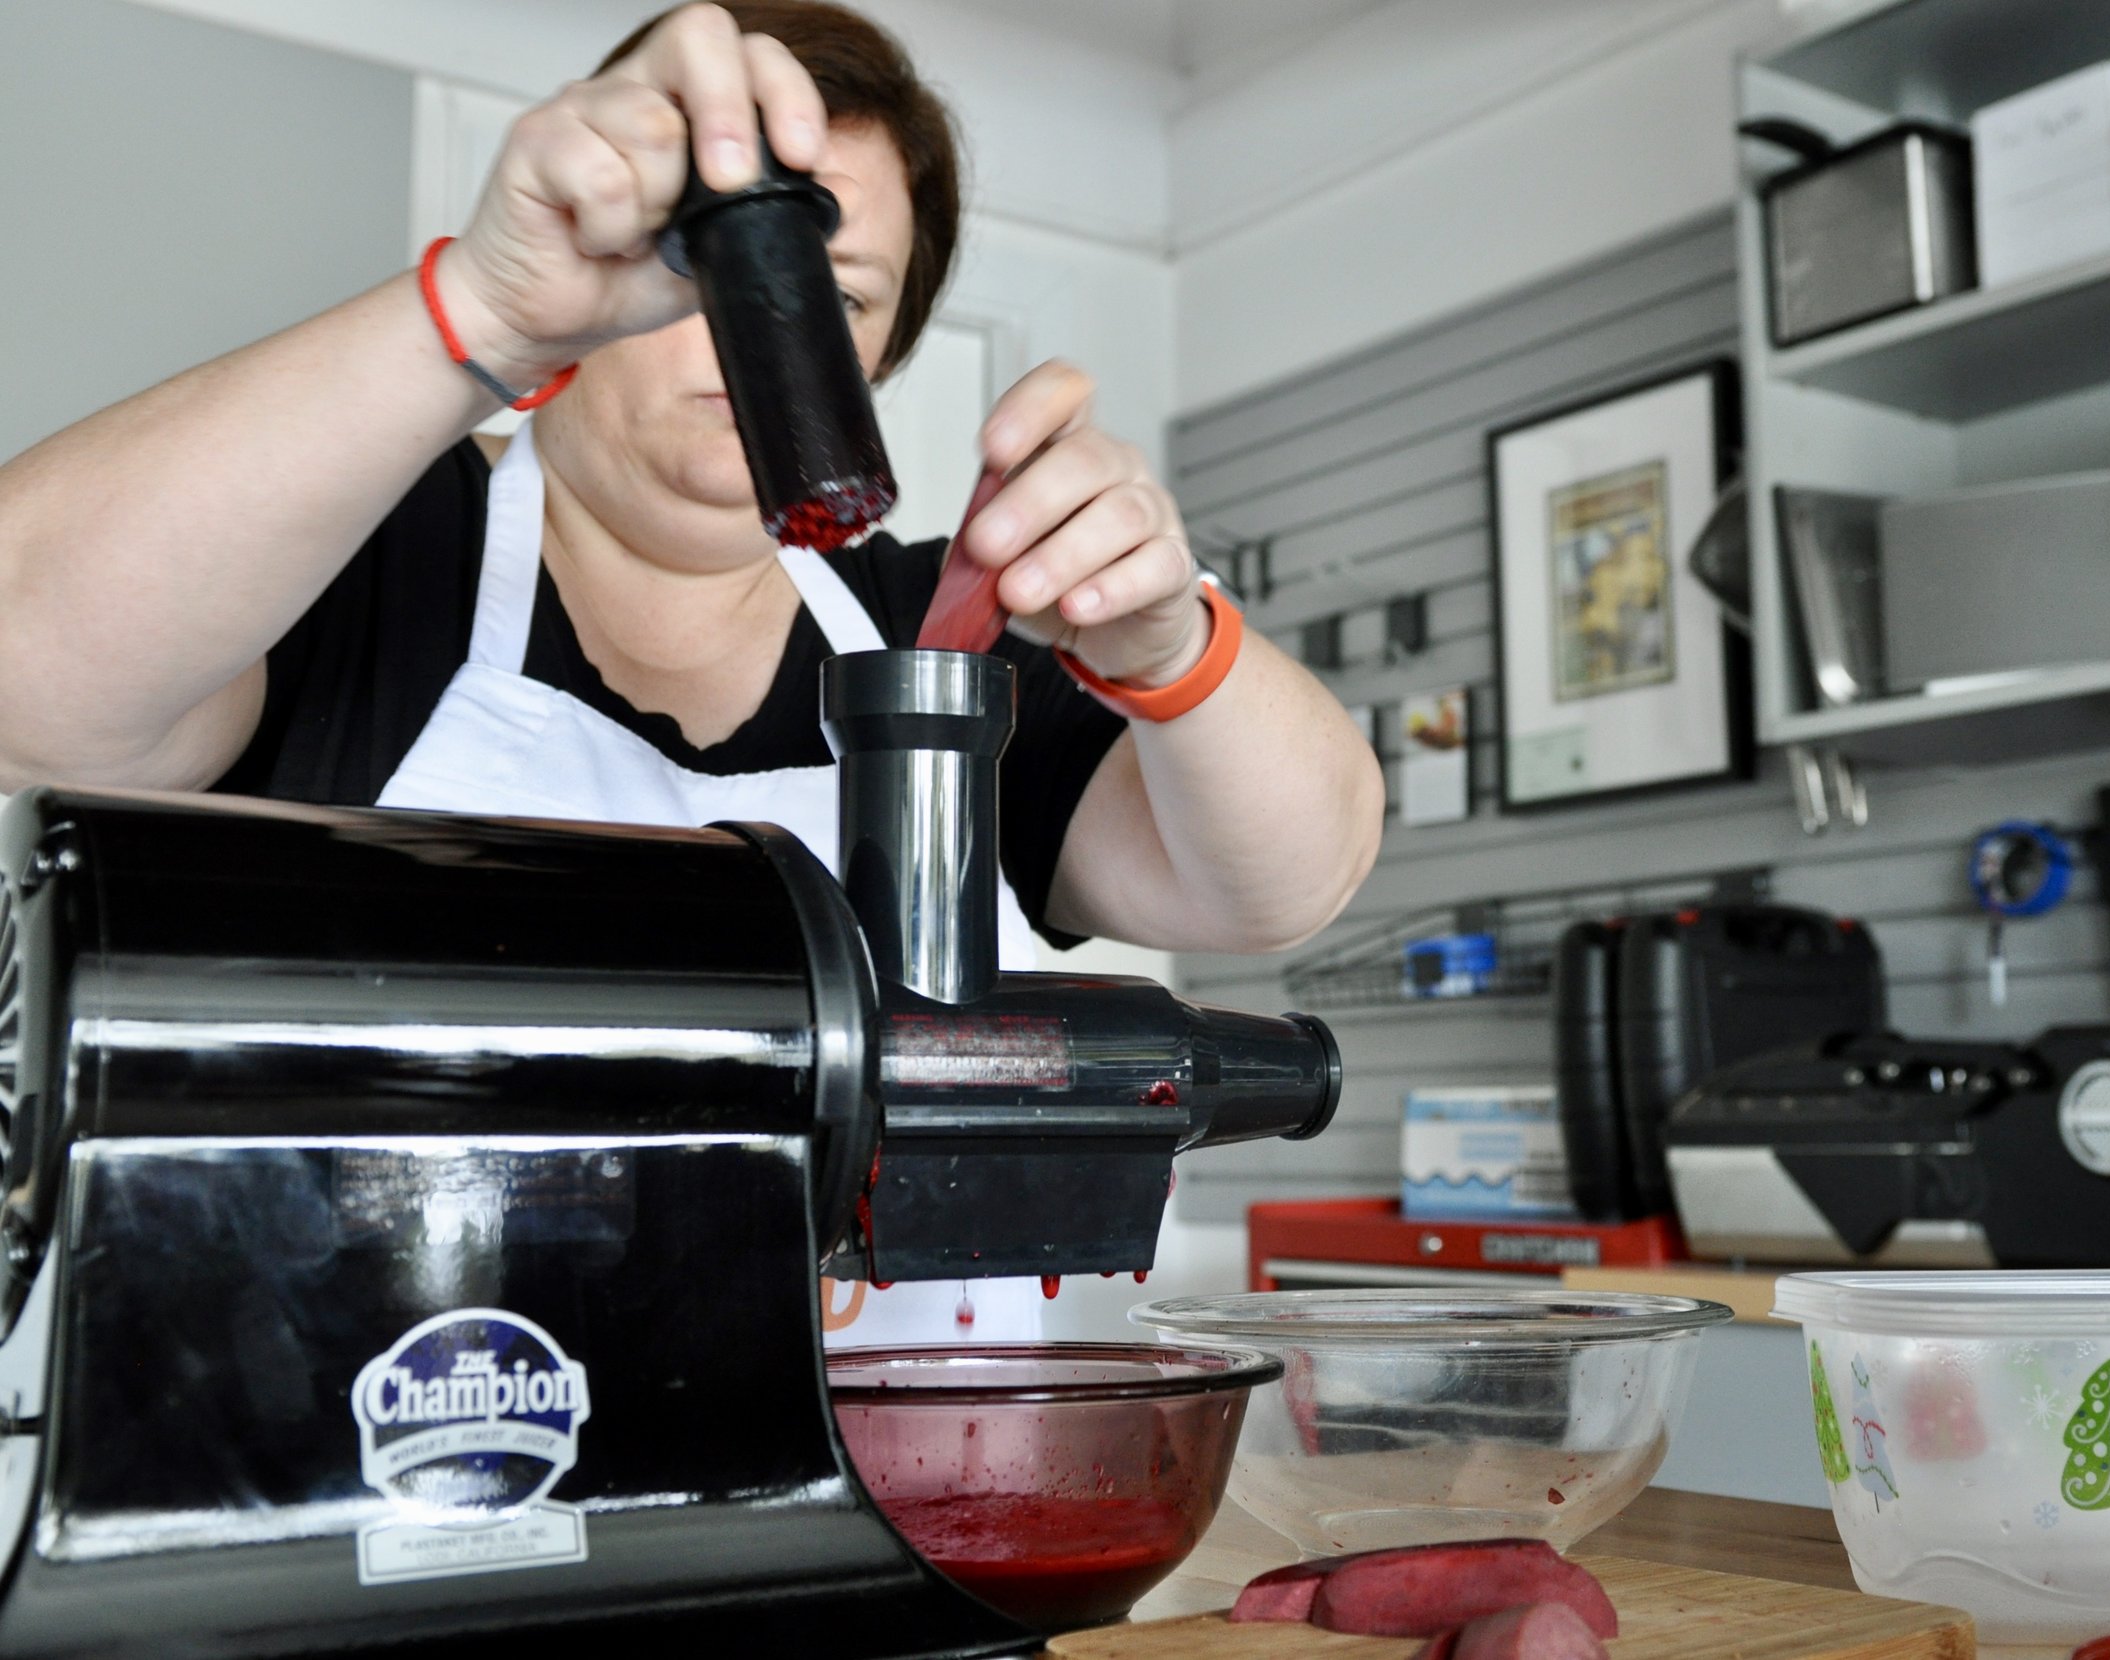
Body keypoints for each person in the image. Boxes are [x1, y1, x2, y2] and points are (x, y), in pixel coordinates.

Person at [0, 1, 1384, 1343]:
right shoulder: (361, 547)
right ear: (599, 270)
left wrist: (1167, 644)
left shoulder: (937, 629)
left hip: (906, 1481)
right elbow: (24, 687)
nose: (756, 331)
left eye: (837, 295)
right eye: (711, 267)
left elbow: (1275, 884)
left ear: (886, 354)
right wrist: (479, 307)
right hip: (386, 1447)